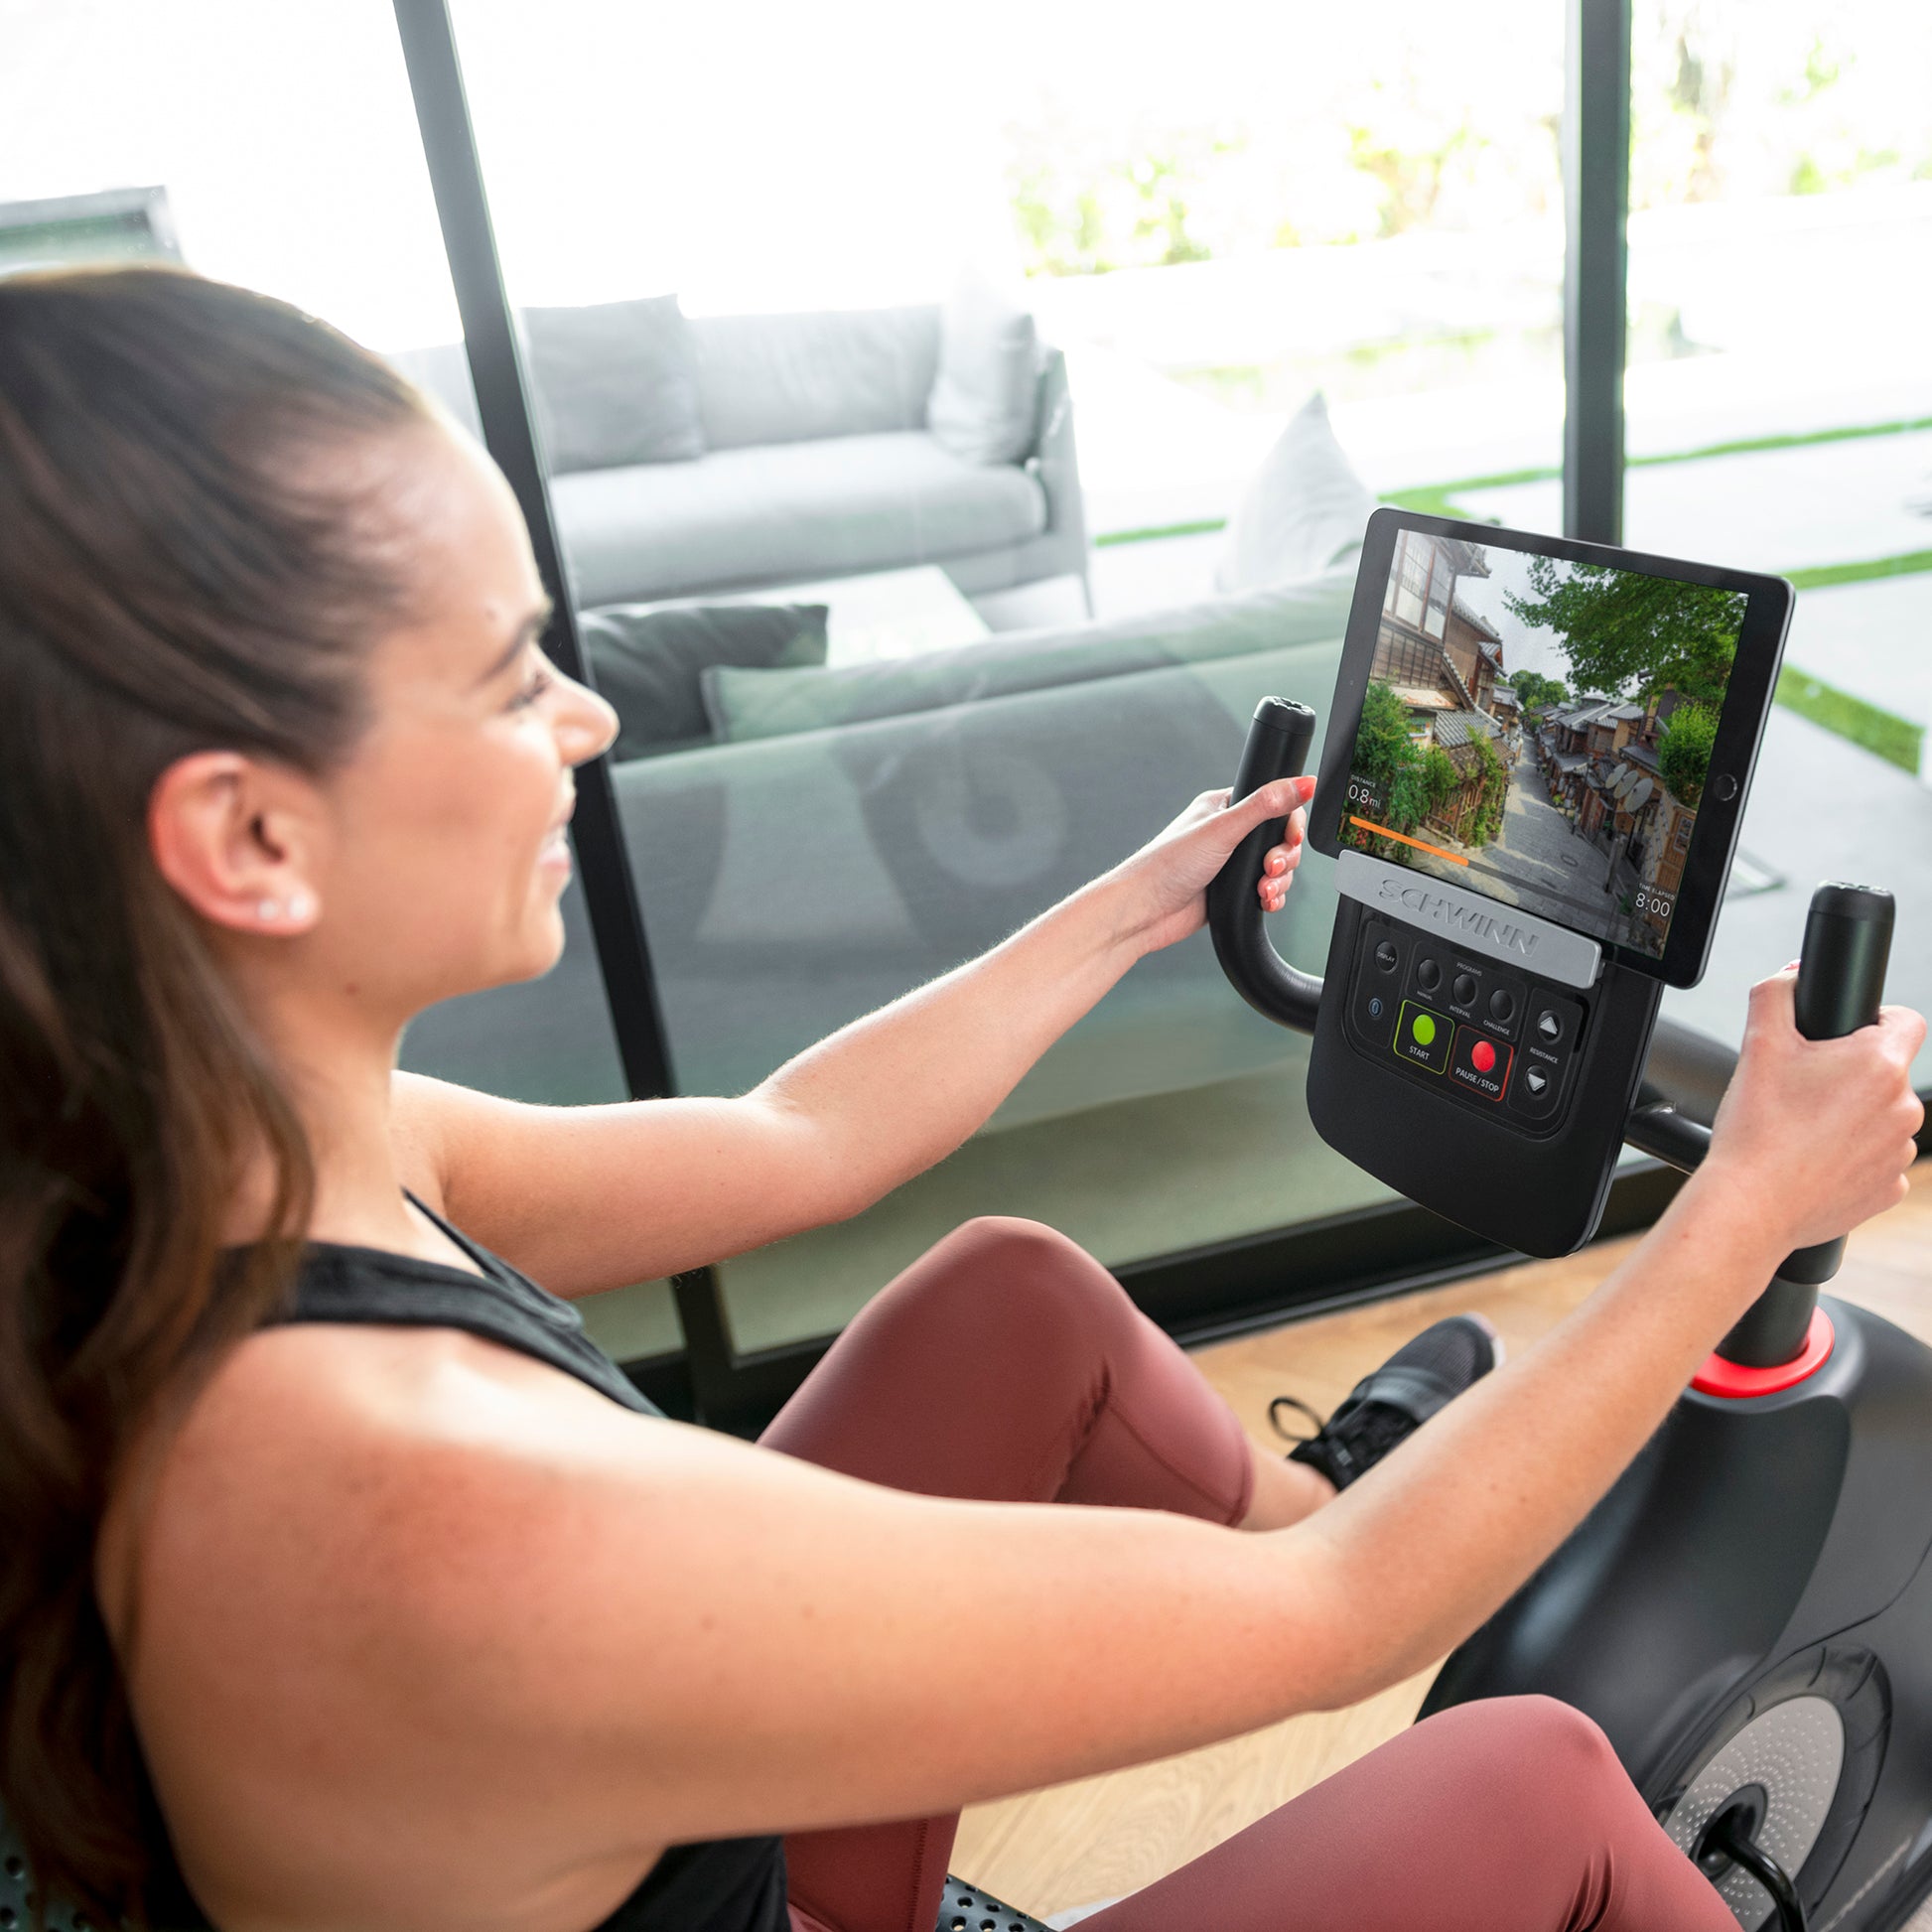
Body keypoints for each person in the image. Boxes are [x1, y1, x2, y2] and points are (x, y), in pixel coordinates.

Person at [0, 265, 1921, 1932]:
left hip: (664, 1848)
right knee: (1535, 1789)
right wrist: (1742, 1199)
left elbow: (792, 1139)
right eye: (513, 679)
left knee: (1003, 1291)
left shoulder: (230, 1152)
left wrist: (1126, 910)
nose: (585, 722)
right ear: (247, 834)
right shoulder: (431, 1526)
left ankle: (1298, 1463)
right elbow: (1349, 1619)